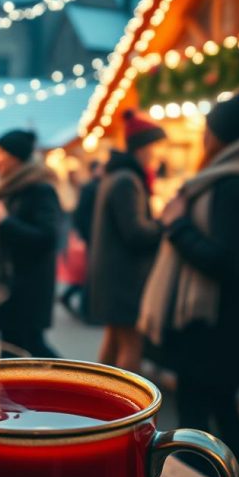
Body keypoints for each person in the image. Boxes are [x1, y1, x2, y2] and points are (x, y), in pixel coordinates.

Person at [139, 87, 239, 473]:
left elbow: (223, 261)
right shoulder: (225, 180)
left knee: (196, 418)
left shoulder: (232, 185)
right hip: (218, 328)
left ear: (224, 136)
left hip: (213, 329)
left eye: (209, 129)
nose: (203, 136)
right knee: (218, 409)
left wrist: (177, 225)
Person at [88, 110, 166, 372]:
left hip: (113, 278)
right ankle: (126, 407)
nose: (155, 155)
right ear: (142, 148)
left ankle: (99, 399)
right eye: (153, 147)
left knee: (114, 341)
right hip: (124, 280)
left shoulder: (117, 175)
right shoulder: (127, 180)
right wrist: (166, 223)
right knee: (131, 344)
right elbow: (135, 233)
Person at [0, 129, 60, 357]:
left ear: (16, 157)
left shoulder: (40, 189)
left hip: (28, 289)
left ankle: (73, 385)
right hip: (6, 285)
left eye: (1, 154)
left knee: (32, 350)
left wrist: (4, 222)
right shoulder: (6, 187)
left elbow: (47, 237)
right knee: (12, 352)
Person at [59, 160, 104, 318]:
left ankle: (74, 299)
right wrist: (85, 234)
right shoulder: (91, 188)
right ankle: (83, 306)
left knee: (88, 273)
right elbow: (81, 213)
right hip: (91, 235)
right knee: (87, 273)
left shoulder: (94, 186)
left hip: (92, 235)